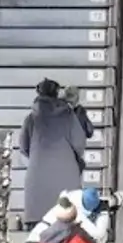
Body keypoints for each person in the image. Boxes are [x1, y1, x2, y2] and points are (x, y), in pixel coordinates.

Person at [17, 78, 93, 230]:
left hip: (37, 178)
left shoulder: (31, 119)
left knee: (39, 231)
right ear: (57, 93)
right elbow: (79, 143)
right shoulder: (68, 115)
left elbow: (24, 147)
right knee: (68, 224)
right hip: (66, 176)